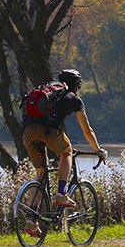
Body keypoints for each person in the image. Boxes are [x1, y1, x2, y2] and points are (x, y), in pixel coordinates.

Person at [22, 68, 107, 211]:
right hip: (49, 132)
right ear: (77, 85)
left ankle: (32, 216)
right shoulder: (73, 99)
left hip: (28, 133)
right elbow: (87, 131)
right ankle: (62, 193)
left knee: (40, 174)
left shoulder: (49, 91)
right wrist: (98, 150)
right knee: (67, 152)